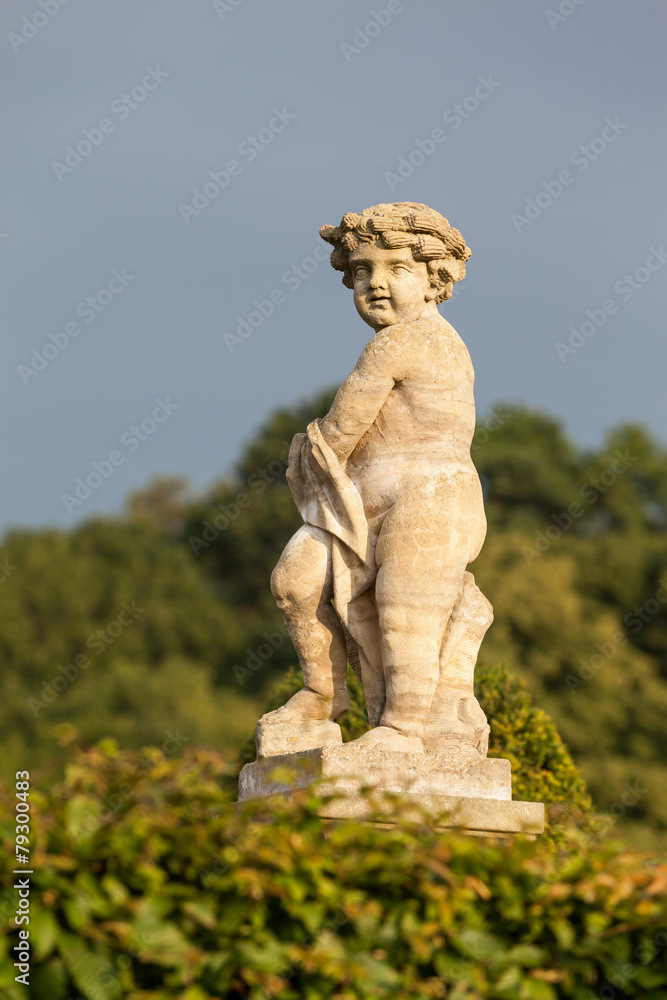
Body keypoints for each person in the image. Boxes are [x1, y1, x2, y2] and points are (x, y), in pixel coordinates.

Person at [265, 202, 487, 753]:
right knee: (297, 580)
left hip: (430, 498)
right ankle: (323, 693)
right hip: (363, 501)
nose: (375, 284)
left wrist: (306, 452)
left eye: (397, 269)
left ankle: (405, 729)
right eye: (362, 270)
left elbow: (341, 429)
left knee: (404, 605)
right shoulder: (393, 339)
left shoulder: (408, 340)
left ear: (434, 278)